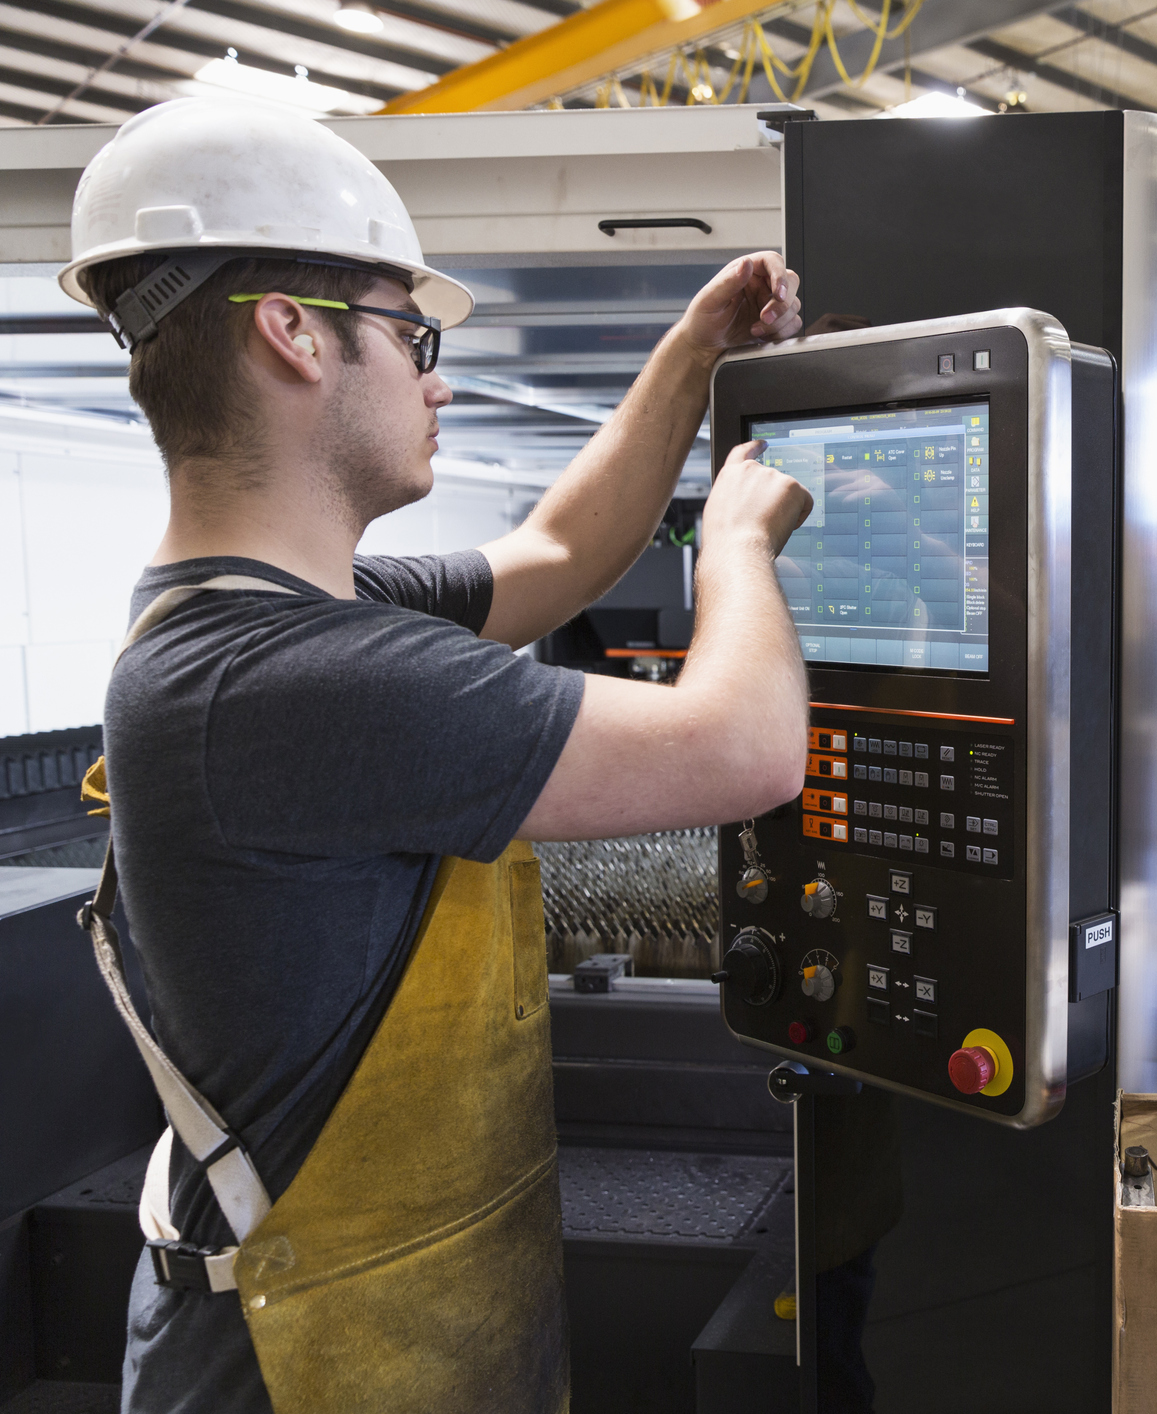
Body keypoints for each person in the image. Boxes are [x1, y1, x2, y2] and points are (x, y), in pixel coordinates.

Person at [60, 96, 815, 1413]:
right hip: (295, 1370)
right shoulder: (288, 678)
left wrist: (693, 355)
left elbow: (554, 559)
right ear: (292, 336)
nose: (439, 375)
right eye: (413, 334)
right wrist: (736, 541)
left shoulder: (276, 618)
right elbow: (743, 746)